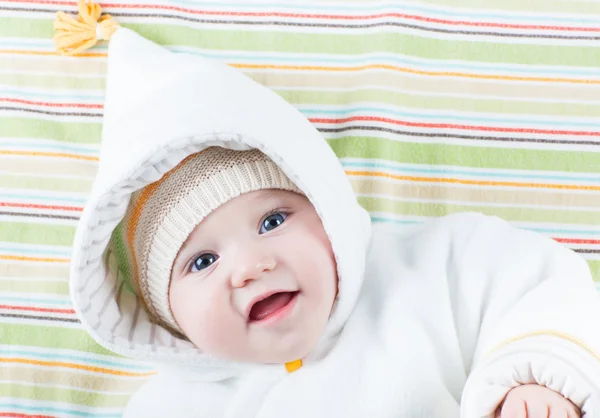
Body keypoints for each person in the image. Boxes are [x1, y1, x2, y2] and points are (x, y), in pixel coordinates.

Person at [58, 5, 600, 417]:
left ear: (326, 208)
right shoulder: (172, 406)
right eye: (201, 261)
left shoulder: (432, 271)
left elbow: (543, 286)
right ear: (167, 318)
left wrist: (533, 376)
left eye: (273, 221)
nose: (250, 267)